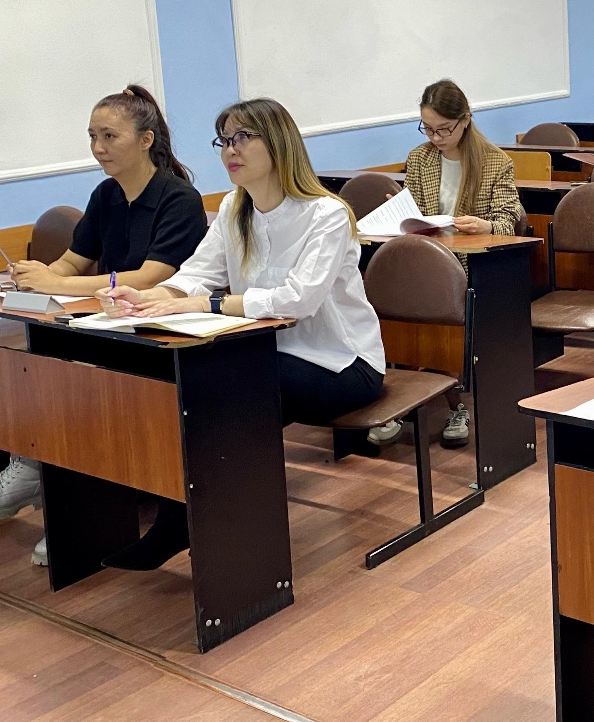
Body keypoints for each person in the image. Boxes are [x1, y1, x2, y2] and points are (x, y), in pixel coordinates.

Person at [101, 97, 386, 571]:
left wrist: (209, 304)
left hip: (341, 363)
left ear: (278, 144)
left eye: (242, 138)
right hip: (268, 354)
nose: (230, 150)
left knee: (229, 387)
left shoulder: (326, 214)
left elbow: (298, 300)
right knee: (198, 385)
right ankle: (196, 524)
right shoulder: (235, 207)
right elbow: (197, 274)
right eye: (224, 141)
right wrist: (151, 297)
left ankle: (219, 536)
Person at [0, 85, 206, 567]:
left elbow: (152, 276)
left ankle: (76, 503)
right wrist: (39, 276)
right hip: (108, 321)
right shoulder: (107, 194)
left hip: (158, 331)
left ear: (146, 140)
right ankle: (39, 472)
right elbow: (74, 260)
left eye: (109, 136)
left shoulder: (179, 199)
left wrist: (61, 284)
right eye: (92, 136)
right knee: (39, 365)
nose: (98, 148)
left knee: (80, 383)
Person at [368, 78, 524, 449]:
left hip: (471, 267)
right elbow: (417, 212)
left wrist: (486, 225)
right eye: (427, 128)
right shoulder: (420, 158)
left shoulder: (495, 161)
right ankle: (399, 401)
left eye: (444, 129)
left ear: (465, 119)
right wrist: (400, 212)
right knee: (389, 305)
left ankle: (457, 405)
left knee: (438, 314)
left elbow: (509, 218)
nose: (436, 137)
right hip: (425, 261)